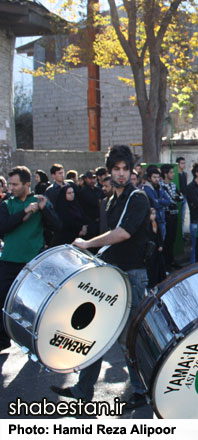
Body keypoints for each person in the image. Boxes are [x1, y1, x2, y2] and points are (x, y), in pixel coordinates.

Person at [50, 144, 152, 409]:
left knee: (128, 337)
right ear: (109, 172)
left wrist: (87, 244)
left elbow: (123, 233)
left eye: (125, 169)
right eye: (116, 169)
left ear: (131, 171)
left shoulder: (137, 197)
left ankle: (143, 391)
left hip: (132, 275)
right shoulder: (111, 201)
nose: (120, 174)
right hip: (112, 274)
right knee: (97, 331)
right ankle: (84, 390)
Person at [0, 166, 60, 351]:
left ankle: (37, 341)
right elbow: (4, 227)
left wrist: (43, 210)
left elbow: (57, 225)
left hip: (32, 263)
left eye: (15, 184)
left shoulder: (40, 201)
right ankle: (3, 340)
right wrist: (25, 212)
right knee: (2, 300)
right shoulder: (7, 204)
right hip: (9, 260)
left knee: (35, 304)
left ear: (27, 184)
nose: (11, 188)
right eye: (10, 184)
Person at [160, 164, 184, 270]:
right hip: (166, 215)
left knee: (172, 239)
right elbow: (169, 201)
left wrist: (175, 198)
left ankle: (171, 261)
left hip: (174, 214)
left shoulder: (173, 185)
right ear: (165, 174)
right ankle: (165, 263)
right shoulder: (161, 186)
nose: (173, 174)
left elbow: (180, 197)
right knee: (166, 240)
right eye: (171, 172)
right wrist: (174, 198)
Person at [184, 163, 198, 263]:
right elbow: (197, 204)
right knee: (195, 248)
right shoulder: (191, 187)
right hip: (195, 222)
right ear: (197, 174)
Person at [142, 166, 171, 241]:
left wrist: (159, 200)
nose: (157, 179)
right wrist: (161, 201)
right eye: (154, 177)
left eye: (158, 177)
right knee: (153, 245)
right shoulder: (146, 189)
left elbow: (168, 201)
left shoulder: (160, 188)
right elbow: (155, 204)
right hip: (152, 221)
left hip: (162, 220)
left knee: (162, 243)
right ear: (149, 178)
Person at [78, 170, 103, 239]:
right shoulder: (83, 191)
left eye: (94, 178)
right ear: (86, 179)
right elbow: (95, 202)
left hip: (99, 221)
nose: (92, 180)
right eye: (90, 178)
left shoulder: (98, 190)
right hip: (89, 222)